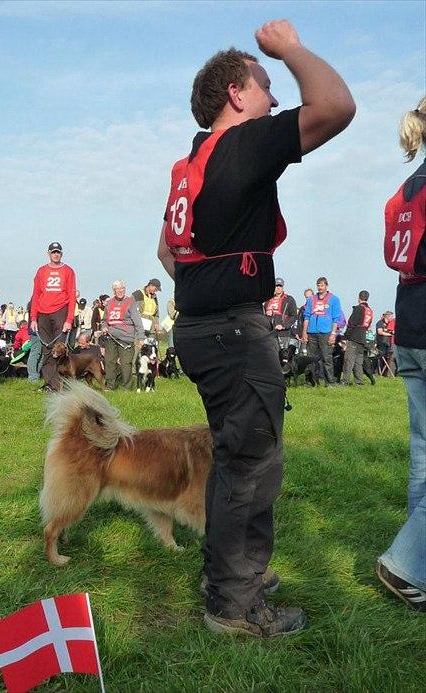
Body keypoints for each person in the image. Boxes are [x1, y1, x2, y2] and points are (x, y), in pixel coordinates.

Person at [157, 20, 354, 636]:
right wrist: (289, 49)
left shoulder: (191, 162)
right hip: (232, 335)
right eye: (265, 86)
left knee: (232, 458)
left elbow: (166, 254)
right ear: (237, 95)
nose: (274, 97)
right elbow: (336, 106)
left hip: (198, 328)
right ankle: (236, 606)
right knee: (252, 466)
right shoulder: (242, 145)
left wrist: (207, 289)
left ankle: (230, 576)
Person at [376, 98, 426, 611]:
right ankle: (407, 563)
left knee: (423, 450)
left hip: (410, 320)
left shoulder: (404, 189)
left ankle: (418, 566)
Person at [30, 242, 77, 392]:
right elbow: (36, 294)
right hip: (43, 313)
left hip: (60, 311)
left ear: (61, 254)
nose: (56, 254)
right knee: (47, 349)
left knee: (60, 349)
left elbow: (71, 296)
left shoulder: (68, 271)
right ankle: (50, 383)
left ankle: (60, 385)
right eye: (53, 252)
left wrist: (69, 320)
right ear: (48, 253)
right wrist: (33, 318)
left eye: (58, 252)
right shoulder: (41, 271)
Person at [101, 280, 145, 391]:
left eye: (122, 288)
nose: (120, 291)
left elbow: (138, 322)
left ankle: (127, 388)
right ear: (113, 291)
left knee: (126, 363)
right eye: (117, 289)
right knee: (109, 361)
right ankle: (110, 386)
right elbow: (105, 320)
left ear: (124, 289)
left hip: (126, 338)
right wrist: (104, 327)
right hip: (111, 337)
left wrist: (141, 337)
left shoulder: (130, 302)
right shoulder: (109, 303)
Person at [301, 277, 343, 386]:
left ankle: (330, 382)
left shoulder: (334, 299)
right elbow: (306, 317)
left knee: (326, 357)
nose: (320, 287)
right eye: (318, 285)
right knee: (311, 359)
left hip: (326, 332)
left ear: (326, 286)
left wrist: (333, 334)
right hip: (312, 332)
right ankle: (311, 381)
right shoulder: (311, 299)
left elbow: (336, 318)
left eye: (322, 285)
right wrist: (304, 332)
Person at [341, 290, 374, 385]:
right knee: (358, 362)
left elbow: (351, 323)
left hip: (354, 337)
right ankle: (359, 381)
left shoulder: (358, 308)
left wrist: (345, 336)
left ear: (359, 298)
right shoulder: (370, 310)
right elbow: (368, 325)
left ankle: (345, 381)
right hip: (363, 337)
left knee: (349, 360)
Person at [264, 277, 298, 353]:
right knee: (270, 355)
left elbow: (294, 316)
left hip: (283, 333)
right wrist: (266, 314)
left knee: (282, 355)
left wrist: (283, 326)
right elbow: (263, 314)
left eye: (280, 286)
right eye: (276, 286)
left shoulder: (289, 299)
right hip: (269, 332)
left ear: (283, 287)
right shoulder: (268, 300)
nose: (278, 288)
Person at [376, 311, 395, 375]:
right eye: (392, 316)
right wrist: (390, 334)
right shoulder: (380, 323)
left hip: (388, 343)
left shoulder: (389, 324)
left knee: (388, 358)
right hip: (381, 342)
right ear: (388, 316)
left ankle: (385, 373)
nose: (392, 318)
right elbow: (380, 332)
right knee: (381, 358)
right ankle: (379, 373)